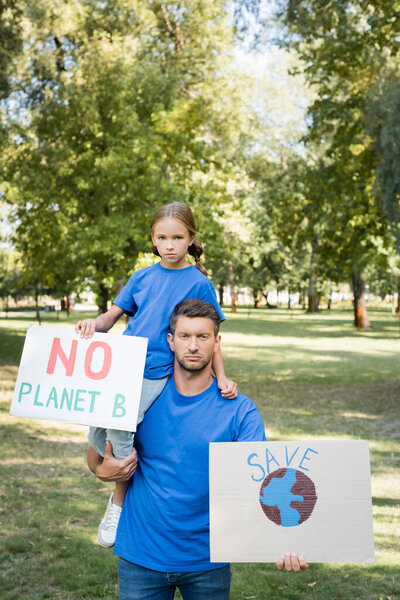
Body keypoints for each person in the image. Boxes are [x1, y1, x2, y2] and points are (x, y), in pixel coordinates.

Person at [88, 298, 308, 599]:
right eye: (185, 336)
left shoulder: (240, 411)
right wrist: (104, 470)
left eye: (202, 337)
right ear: (171, 341)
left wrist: (286, 538)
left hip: (208, 559)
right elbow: (96, 458)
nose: (193, 345)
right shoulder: (140, 398)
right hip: (141, 554)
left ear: (216, 343)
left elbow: (260, 484)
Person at [75, 202, 237, 548]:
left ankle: (118, 502)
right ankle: (115, 476)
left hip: (155, 371)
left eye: (177, 237)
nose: (169, 245)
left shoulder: (199, 283)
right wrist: (92, 326)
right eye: (162, 237)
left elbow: (212, 337)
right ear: (153, 239)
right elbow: (110, 318)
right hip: (120, 365)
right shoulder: (142, 277)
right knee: (96, 428)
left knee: (121, 422)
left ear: (190, 238)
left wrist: (222, 377)